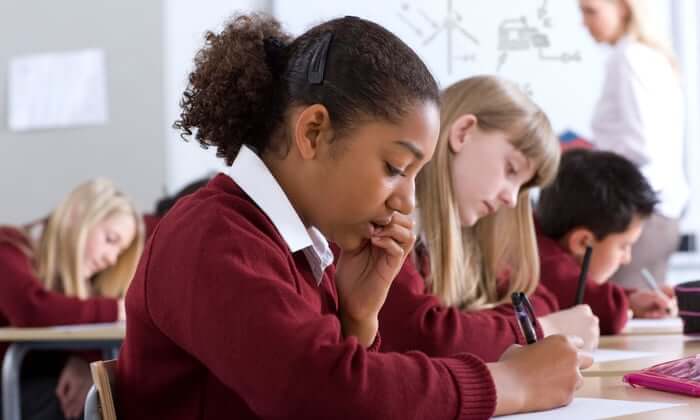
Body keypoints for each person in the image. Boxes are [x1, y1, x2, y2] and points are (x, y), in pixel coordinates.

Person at [116, 14, 591, 419]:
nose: (407, 201)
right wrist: (510, 384)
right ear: (314, 132)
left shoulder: (303, 247)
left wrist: (358, 317)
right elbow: (324, 392)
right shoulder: (212, 236)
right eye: (395, 168)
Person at [379, 76, 599, 362]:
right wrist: (545, 329)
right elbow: (428, 336)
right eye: (511, 169)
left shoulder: (466, 237)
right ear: (463, 133)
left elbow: (537, 300)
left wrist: (481, 329)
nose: (511, 198)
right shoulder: (386, 220)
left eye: (521, 186)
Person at [0, 178, 144, 419]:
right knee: (88, 405)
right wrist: (116, 310)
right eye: (110, 240)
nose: (111, 259)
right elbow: (31, 309)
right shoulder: (8, 246)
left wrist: (85, 360)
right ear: (76, 216)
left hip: (31, 388)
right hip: (11, 388)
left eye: (119, 253)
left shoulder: (80, 287)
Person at [580, 0, 688, 289]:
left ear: (623, 7)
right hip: (661, 212)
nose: (584, 22)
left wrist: (590, 158)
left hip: (641, 213)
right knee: (648, 307)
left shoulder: (628, 58)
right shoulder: (649, 56)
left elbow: (642, 146)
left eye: (591, 11)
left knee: (619, 308)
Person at [536, 149, 674, 334]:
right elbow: (607, 312)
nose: (627, 259)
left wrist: (630, 300)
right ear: (583, 242)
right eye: (623, 246)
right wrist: (621, 304)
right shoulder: (545, 261)